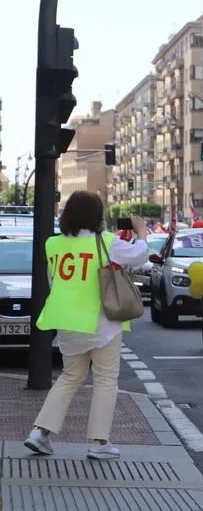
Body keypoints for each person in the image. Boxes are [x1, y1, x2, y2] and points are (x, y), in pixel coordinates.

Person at [24, 191, 150, 460]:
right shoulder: (106, 242)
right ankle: (98, 442)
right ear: (97, 215)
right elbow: (140, 256)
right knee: (105, 379)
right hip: (102, 322)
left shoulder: (53, 244)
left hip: (67, 322)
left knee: (69, 377)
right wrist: (141, 232)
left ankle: (40, 432)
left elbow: (53, 280)